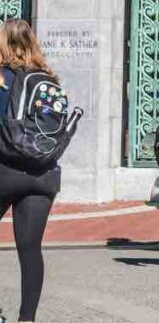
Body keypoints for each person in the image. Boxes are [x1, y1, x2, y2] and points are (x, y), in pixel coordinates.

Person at [0, 19, 64, 323]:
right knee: (29, 249)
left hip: (5, 170)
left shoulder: (2, 78)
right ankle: (27, 319)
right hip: (42, 174)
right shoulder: (48, 78)